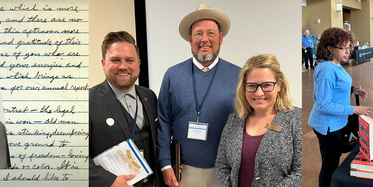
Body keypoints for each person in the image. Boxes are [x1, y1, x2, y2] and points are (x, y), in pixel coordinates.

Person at [157, 4, 241, 187]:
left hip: (225, 171)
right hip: (182, 172)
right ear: (190, 39)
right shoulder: (172, 75)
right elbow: (163, 121)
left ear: (220, 38)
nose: (204, 39)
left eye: (210, 33)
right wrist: (164, 164)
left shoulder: (240, 75)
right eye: (198, 34)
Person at [90, 31, 163, 187]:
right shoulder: (86, 102)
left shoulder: (149, 97)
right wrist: (110, 181)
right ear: (103, 63)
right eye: (115, 60)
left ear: (138, 63)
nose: (123, 66)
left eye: (129, 60)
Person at [215, 54, 302, 187]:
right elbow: (222, 164)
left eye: (267, 85)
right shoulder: (234, 120)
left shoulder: (296, 119)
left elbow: (299, 172)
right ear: (244, 87)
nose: (259, 93)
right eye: (252, 86)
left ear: (279, 85)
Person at [308, 27, 373, 187]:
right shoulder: (327, 69)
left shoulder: (334, 65)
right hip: (328, 125)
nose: (348, 51)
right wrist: (355, 109)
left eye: (349, 47)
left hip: (336, 122)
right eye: (343, 48)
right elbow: (323, 104)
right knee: (330, 165)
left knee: (333, 161)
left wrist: (352, 90)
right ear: (330, 48)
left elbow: (332, 89)